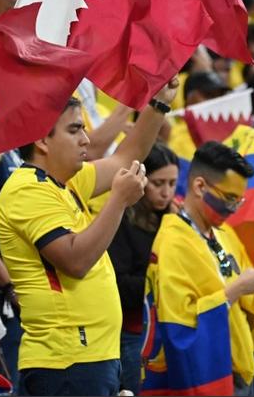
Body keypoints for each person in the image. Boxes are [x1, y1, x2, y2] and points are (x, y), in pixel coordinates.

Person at [0, 78, 178, 396]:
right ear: (42, 140)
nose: (86, 138)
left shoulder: (64, 183)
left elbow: (126, 157)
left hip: (91, 358)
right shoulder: (27, 189)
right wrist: (119, 201)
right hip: (65, 363)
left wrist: (159, 103)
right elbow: (75, 260)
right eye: (74, 130)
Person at [142, 141, 254, 397]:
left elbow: (245, 300)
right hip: (208, 374)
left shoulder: (225, 234)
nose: (233, 209)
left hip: (240, 370)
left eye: (239, 201)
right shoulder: (173, 241)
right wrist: (237, 289)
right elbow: (179, 323)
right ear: (199, 186)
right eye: (229, 198)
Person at [107, 143, 177, 394]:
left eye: (172, 183)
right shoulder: (122, 219)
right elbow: (119, 284)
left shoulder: (176, 220)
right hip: (135, 334)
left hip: (170, 329)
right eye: (158, 184)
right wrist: (163, 283)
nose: (166, 192)